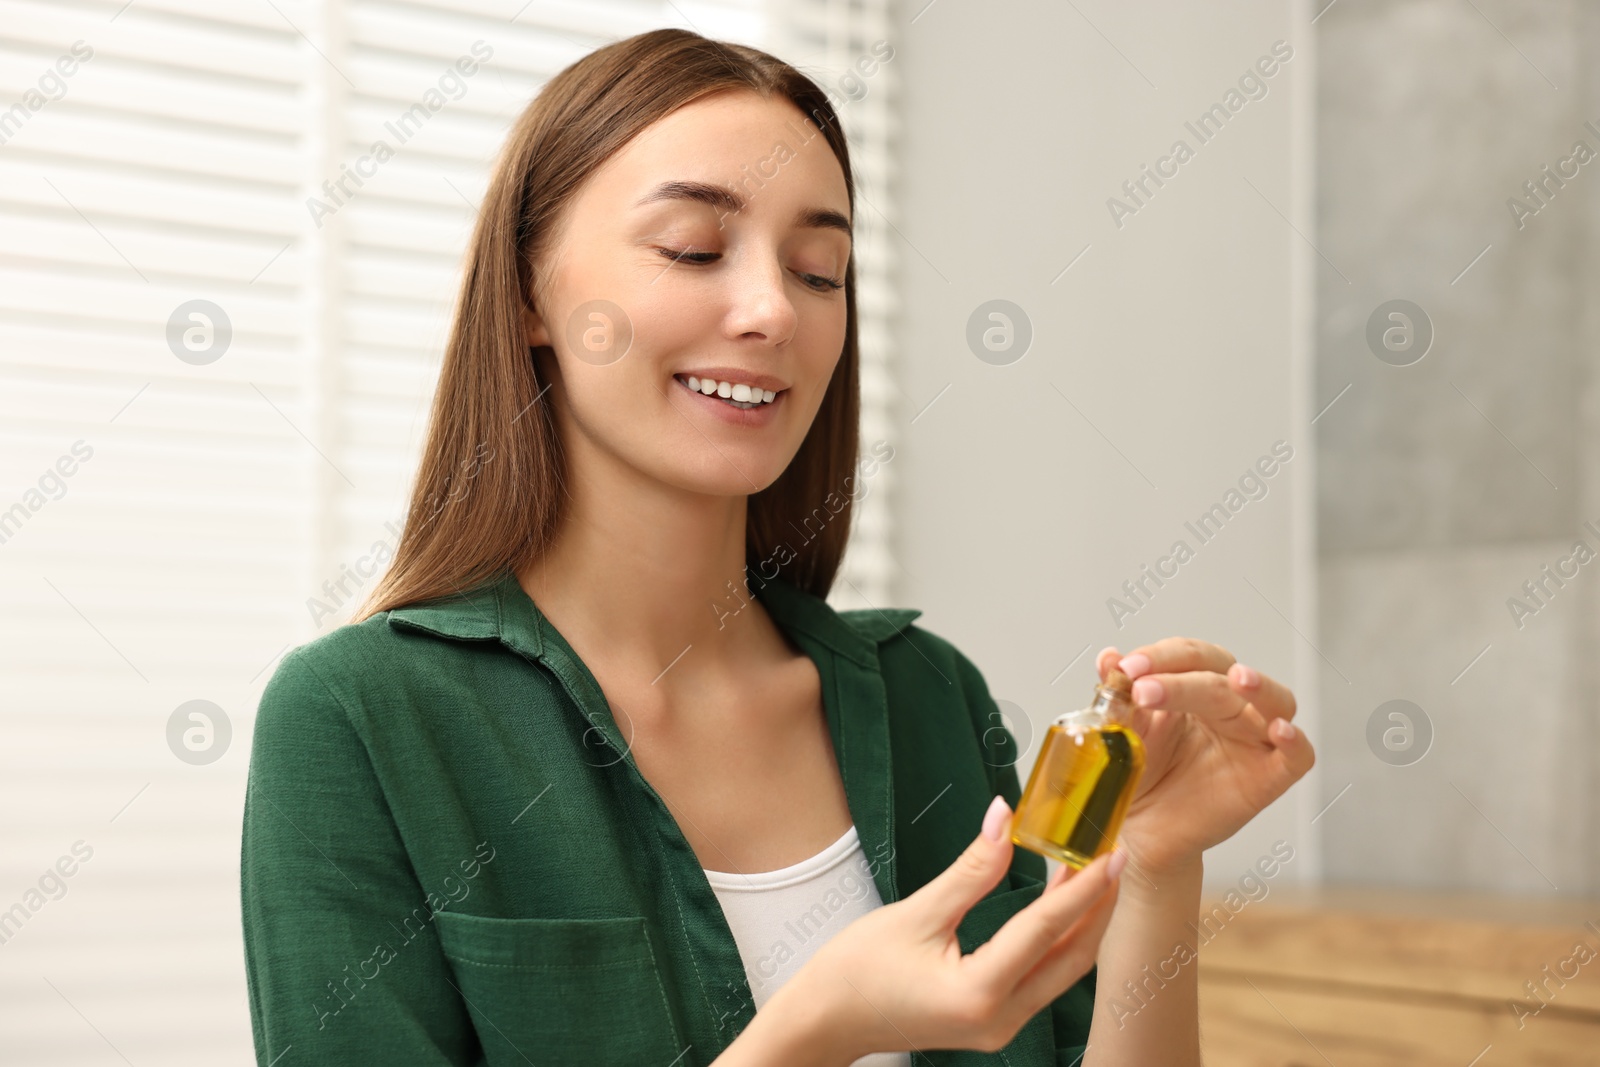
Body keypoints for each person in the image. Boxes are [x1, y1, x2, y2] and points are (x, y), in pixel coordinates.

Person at [239, 27, 1315, 1067]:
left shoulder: (928, 696)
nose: (770, 311)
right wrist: (814, 1031)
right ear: (530, 292)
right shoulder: (360, 719)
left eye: (817, 269)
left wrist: (1160, 868)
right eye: (694, 249)